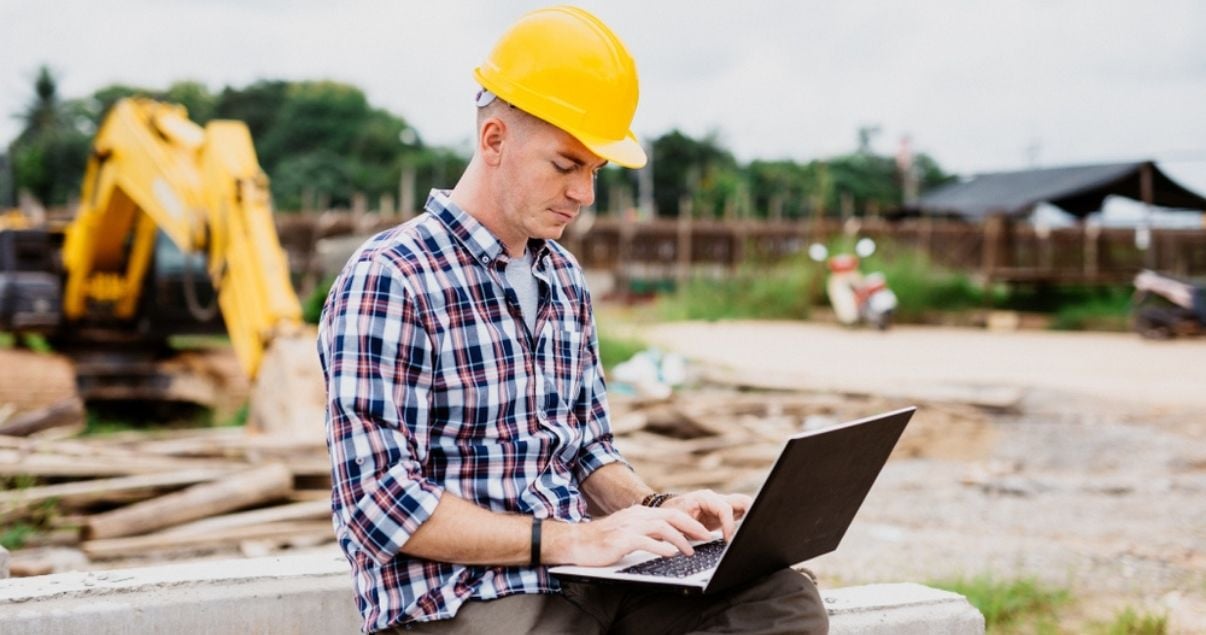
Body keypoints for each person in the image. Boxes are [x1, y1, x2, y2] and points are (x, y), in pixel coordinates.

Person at [317, 6, 828, 633]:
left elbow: (587, 452)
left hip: (585, 583)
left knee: (780, 602)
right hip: (465, 603)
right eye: (565, 165)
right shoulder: (391, 277)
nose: (584, 194)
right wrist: (571, 541)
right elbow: (378, 505)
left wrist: (661, 510)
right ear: (495, 140)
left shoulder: (560, 277)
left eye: (594, 171)